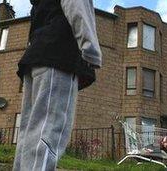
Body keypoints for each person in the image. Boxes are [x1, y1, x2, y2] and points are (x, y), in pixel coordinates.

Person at [13, 0, 102, 170]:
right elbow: (77, 5)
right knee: (49, 130)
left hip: (35, 58)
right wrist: (91, 49)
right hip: (59, 56)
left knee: (29, 131)